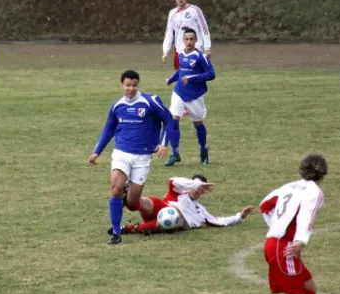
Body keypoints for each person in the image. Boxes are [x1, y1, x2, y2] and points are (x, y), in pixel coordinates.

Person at [241, 153, 327, 294]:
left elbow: (265, 205)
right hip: (285, 248)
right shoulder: (315, 192)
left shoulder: (289, 186)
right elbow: (306, 216)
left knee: (309, 289)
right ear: (322, 174)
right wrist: (300, 241)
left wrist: (276, 226)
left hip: (275, 243)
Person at [88, 70, 173, 245]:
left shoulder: (150, 101)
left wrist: (164, 143)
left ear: (138, 85)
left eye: (134, 85)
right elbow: (109, 129)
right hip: (121, 153)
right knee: (116, 188)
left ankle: (128, 195)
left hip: (142, 157)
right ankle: (117, 232)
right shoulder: (117, 106)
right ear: (122, 85)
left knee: (133, 203)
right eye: (127, 85)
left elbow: (169, 119)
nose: (131, 88)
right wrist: (97, 151)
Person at [107, 174, 253, 234]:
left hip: (173, 221)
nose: (195, 190)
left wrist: (240, 216)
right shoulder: (177, 192)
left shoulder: (201, 211)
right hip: (162, 207)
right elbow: (172, 181)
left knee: (169, 219)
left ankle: (127, 229)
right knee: (143, 202)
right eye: (193, 186)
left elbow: (219, 221)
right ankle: (124, 196)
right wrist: (195, 184)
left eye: (199, 188)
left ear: (203, 192)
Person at [164, 28, 215, 166]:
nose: (189, 42)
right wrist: (171, 79)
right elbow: (181, 71)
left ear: (196, 40)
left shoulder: (200, 56)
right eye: (186, 39)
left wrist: (192, 78)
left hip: (195, 96)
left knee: (198, 123)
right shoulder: (181, 54)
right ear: (183, 40)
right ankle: (175, 153)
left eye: (191, 39)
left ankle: (203, 149)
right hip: (179, 93)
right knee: (173, 120)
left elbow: (211, 74)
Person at [162, 0, 212, 70]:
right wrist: (165, 51)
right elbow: (169, 33)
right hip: (179, 49)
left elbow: (204, 29)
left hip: (195, 48)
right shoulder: (172, 13)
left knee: (195, 75)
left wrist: (207, 47)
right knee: (180, 75)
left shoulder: (195, 10)